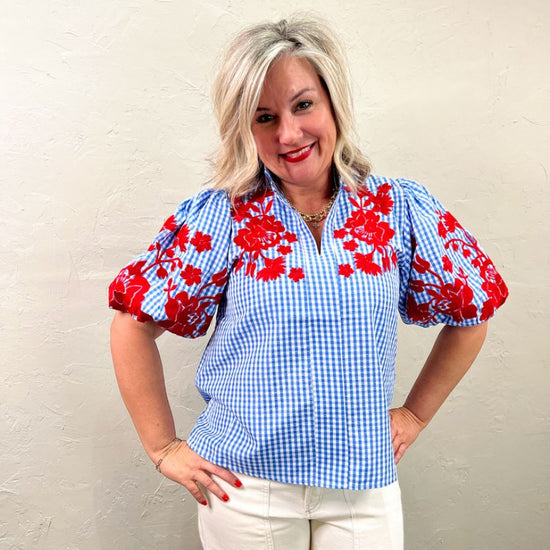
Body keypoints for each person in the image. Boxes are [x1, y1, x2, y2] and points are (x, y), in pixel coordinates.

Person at [108, 15, 508, 550]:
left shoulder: (397, 208)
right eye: (264, 117)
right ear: (244, 128)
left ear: (332, 102)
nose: (288, 134)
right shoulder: (221, 215)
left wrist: (414, 415)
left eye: (303, 105)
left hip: (362, 485)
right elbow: (132, 324)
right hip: (245, 487)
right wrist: (163, 448)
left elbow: (473, 310)